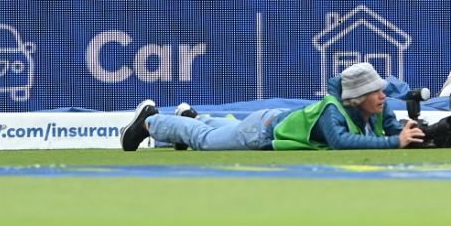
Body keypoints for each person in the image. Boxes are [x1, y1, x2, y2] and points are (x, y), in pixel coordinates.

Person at [119, 62, 425, 151]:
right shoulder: (334, 111)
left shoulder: (377, 106)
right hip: (261, 133)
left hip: (268, 122)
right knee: (204, 142)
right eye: (376, 92)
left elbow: (395, 130)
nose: (384, 96)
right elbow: (341, 142)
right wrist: (392, 142)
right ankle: (151, 121)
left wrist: (415, 135)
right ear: (359, 97)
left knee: (216, 129)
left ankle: (190, 117)